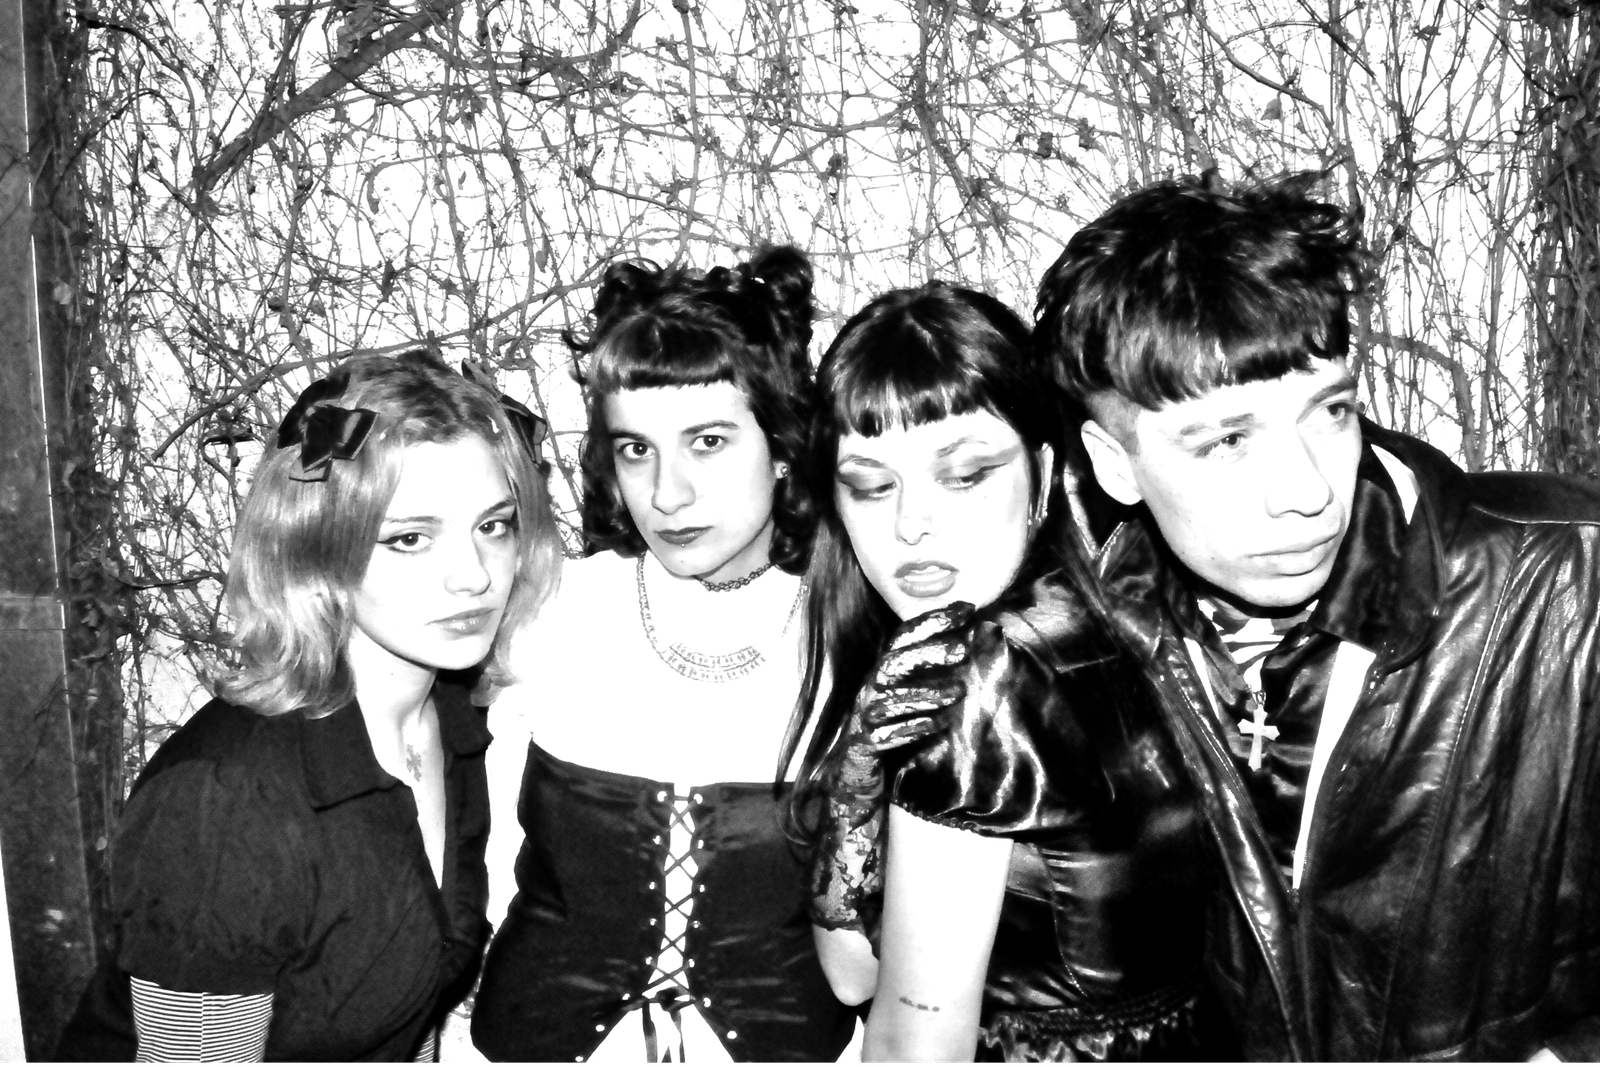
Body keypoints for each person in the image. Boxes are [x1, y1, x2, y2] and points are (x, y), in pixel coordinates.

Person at [1030, 170, 1600, 1061]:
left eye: (1329, 410)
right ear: (1112, 462)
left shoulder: (1571, 576)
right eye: (1227, 440)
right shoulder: (1092, 647)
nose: (1304, 490)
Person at [54, 350, 564, 1063]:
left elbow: (406, 1015)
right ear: (317, 549)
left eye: (494, 526)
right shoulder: (227, 802)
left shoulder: (450, 724)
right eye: (410, 538)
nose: (473, 576)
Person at [787, 283, 1221, 1063]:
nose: (911, 523)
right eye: (872, 484)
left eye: (963, 474)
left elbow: (910, 1050)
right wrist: (858, 783)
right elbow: (854, 975)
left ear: (1044, 474)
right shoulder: (1115, 612)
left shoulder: (983, 679)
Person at [471, 246, 861, 1064]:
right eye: (636, 448)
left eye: (708, 441)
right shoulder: (555, 611)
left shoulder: (852, 631)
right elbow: (489, 862)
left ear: (783, 442)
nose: (667, 493)